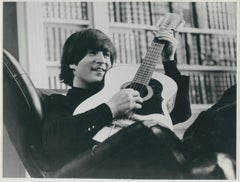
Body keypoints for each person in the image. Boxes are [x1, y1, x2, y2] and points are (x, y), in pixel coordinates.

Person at [41, 28, 191, 177]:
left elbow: (181, 113)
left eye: (106, 55)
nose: (102, 60)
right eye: (92, 53)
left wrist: (169, 60)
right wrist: (110, 108)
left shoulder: (124, 95)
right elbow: (53, 141)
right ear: (72, 63)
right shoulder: (60, 102)